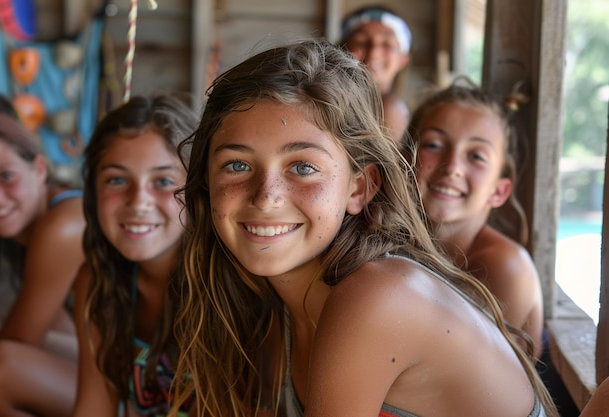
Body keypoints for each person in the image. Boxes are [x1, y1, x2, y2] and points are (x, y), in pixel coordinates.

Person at [168, 39, 557, 417]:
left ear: (360, 187)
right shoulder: (275, 302)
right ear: (206, 181)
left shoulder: (376, 297)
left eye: (303, 167)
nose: (266, 197)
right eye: (237, 165)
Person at [72, 94, 197, 417]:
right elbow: (93, 408)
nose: (139, 201)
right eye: (116, 179)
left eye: (163, 181)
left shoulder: (234, 287)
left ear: (198, 191)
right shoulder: (98, 281)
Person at [403, 81, 545, 360]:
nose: (453, 166)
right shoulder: (392, 245)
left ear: (498, 191)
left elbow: (483, 387)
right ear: (405, 161)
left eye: (476, 156)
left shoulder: (507, 266)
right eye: (434, 144)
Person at [0, 89, 84, 416]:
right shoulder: (37, 229)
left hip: (161, 386)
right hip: (123, 369)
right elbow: (66, 335)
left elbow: (18, 344)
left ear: (39, 169)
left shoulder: (64, 224)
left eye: (6, 176)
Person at [340, 5, 412, 145]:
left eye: (387, 44)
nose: (374, 52)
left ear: (402, 60)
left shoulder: (391, 110)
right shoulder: (330, 102)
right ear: (342, 49)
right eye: (361, 41)